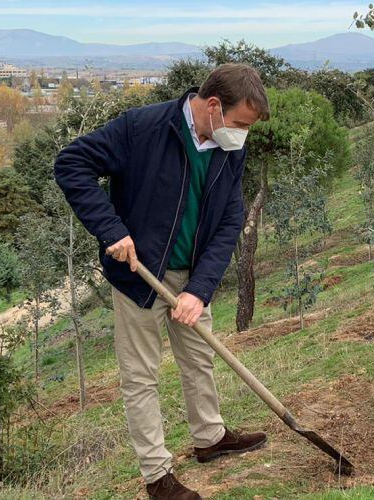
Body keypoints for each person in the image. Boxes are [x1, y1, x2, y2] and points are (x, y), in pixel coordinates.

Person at [55, 64, 269, 500]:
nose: (242, 135)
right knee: (141, 376)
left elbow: (229, 221)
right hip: (140, 275)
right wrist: (112, 229)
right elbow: (71, 163)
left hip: (192, 276)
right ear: (213, 106)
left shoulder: (231, 148)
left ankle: (210, 438)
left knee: (199, 359)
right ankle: (158, 476)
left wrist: (200, 289)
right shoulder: (143, 128)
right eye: (240, 124)